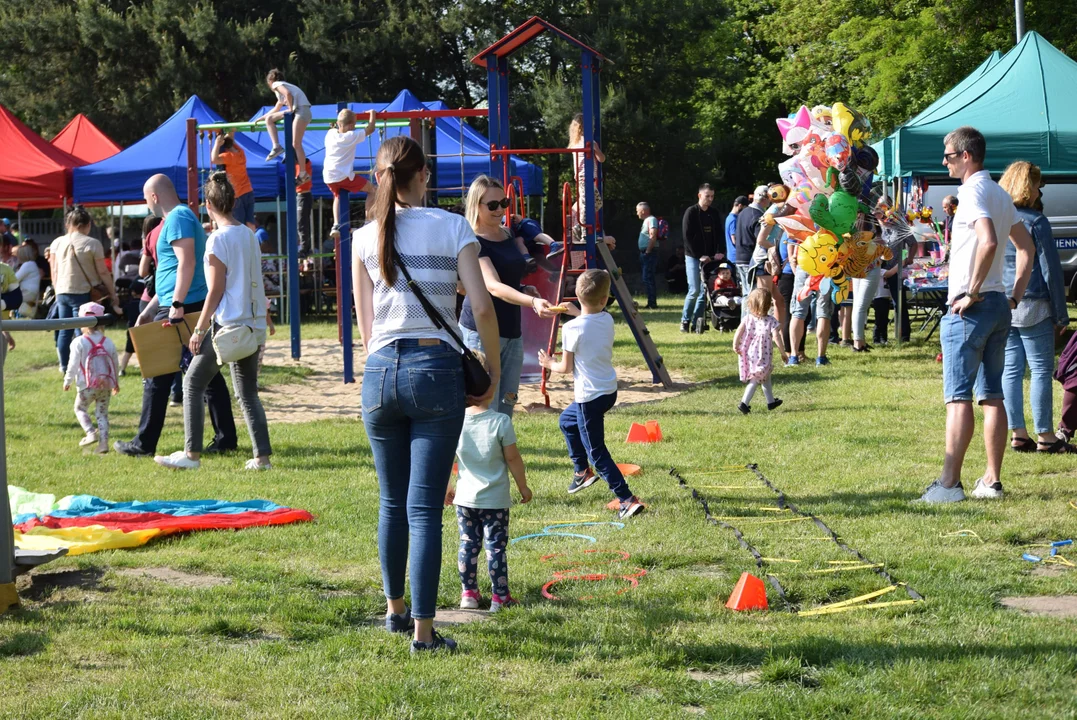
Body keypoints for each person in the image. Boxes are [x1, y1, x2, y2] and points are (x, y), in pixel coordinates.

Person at [354, 135, 501, 654]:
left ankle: (395, 613)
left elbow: (366, 327)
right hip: (435, 368)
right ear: (423, 177)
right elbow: (481, 308)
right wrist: (494, 369)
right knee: (423, 510)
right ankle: (423, 632)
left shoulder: (362, 237)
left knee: (391, 503)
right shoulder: (452, 226)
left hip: (380, 372)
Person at [918, 126, 1035, 504]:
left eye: (948, 156)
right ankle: (991, 481)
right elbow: (1026, 248)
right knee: (992, 395)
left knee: (958, 397)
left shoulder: (971, 192)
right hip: (1000, 305)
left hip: (974, 307)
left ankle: (949, 485)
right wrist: (1013, 296)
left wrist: (971, 291)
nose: (944, 162)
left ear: (966, 156)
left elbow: (988, 240)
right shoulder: (1000, 191)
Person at [154, 172, 272, 471]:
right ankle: (262, 458)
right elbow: (255, 279)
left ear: (208, 204)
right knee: (247, 393)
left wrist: (199, 329)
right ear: (233, 201)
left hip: (228, 325)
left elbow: (216, 290)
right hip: (252, 325)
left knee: (193, 382)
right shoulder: (248, 233)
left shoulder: (216, 240)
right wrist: (266, 316)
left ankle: (191, 455)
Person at [114, 175, 237, 457]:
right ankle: (225, 439)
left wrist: (177, 303)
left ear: (155, 196)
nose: (146, 203)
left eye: (146, 197)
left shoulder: (179, 216)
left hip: (181, 307)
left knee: (158, 374)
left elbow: (187, 262)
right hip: (174, 304)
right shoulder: (177, 218)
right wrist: (148, 309)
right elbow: (169, 272)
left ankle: (144, 444)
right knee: (205, 375)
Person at [537, 269, 646, 520]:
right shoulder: (606, 319)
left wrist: (548, 363)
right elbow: (590, 318)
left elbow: (565, 368)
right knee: (566, 421)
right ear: (605, 299)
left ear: (576, 294)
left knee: (597, 452)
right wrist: (576, 313)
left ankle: (626, 499)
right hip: (608, 391)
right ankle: (581, 473)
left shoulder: (572, 329)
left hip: (589, 397)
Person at [444, 349, 532, 613]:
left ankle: (468, 594)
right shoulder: (500, 421)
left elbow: (449, 457)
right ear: (488, 386)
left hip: (465, 499)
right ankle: (499, 597)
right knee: (495, 547)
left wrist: (448, 486)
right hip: (495, 500)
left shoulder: (455, 422)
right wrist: (523, 486)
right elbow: (513, 459)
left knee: (468, 544)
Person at [460, 175, 554, 417]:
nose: (500, 209)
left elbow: (506, 279)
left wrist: (523, 289)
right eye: (492, 205)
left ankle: (501, 455)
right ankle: (475, 455)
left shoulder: (508, 235)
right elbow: (492, 286)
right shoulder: (472, 241)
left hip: (512, 332)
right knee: (482, 406)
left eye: (503, 202)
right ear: (475, 206)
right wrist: (532, 301)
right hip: (479, 331)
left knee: (507, 402)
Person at [995, 162, 1071, 454]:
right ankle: (1046, 436)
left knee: (1011, 370)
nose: (1041, 190)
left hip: (1005, 300)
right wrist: (1061, 313)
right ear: (1030, 186)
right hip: (1034, 301)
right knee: (1040, 370)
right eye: (1039, 185)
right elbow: (1050, 268)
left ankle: (1018, 433)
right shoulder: (1036, 221)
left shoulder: (1000, 217)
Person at [49, 206, 122, 373]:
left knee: (64, 330)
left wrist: (57, 288)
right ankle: (82, 366)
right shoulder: (92, 243)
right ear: (88, 224)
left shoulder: (56, 243)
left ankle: (64, 366)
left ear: (68, 224)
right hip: (83, 291)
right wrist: (112, 293)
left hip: (61, 290)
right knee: (82, 330)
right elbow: (103, 271)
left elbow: (54, 270)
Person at [63, 302, 119, 454]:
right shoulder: (108, 342)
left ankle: (90, 433)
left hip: (86, 385)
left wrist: (67, 380)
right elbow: (114, 363)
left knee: (80, 408)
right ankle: (104, 444)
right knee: (102, 414)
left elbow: (73, 364)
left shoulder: (79, 342)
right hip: (106, 385)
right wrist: (116, 383)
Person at [323, 109, 377, 240]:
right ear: (351, 125)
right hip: (343, 176)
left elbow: (335, 126)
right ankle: (368, 221)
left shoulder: (330, 134)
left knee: (337, 196)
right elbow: (370, 129)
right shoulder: (351, 136)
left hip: (329, 176)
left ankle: (335, 225)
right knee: (373, 190)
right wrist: (372, 114)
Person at [681, 183, 723, 333]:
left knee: (704, 292)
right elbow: (687, 237)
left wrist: (719, 252)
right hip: (693, 257)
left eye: (712, 196)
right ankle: (684, 321)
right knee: (694, 290)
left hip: (710, 258)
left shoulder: (714, 213)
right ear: (699, 195)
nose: (710, 199)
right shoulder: (691, 212)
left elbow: (719, 234)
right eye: (707, 196)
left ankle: (696, 322)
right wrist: (699, 255)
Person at [735, 288, 784, 414]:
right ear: (768, 305)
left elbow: (739, 331)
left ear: (750, 304)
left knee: (765, 376)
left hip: (751, 354)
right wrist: (783, 352)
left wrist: (735, 344)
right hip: (763, 355)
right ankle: (744, 403)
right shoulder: (771, 321)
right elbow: (777, 337)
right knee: (756, 378)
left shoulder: (748, 318)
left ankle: (771, 402)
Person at [259, 69, 311, 179]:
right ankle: (276, 146)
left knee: (296, 144)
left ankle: (303, 172)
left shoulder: (276, 84)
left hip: (300, 111)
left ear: (270, 81)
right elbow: (276, 108)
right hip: (300, 111)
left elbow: (287, 94)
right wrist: (262, 118)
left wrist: (290, 109)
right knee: (269, 119)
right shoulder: (283, 91)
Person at [210, 133, 256, 230]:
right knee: (250, 222)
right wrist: (230, 135)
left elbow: (214, 159)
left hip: (237, 194)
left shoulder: (228, 157)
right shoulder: (241, 153)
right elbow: (232, 141)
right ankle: (252, 242)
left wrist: (217, 144)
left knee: (238, 223)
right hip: (248, 190)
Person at [735, 186, 770, 295]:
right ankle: (749, 313)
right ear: (764, 199)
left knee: (746, 293)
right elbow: (761, 240)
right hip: (751, 259)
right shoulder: (758, 215)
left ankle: (745, 313)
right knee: (752, 294)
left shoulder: (742, 213)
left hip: (739, 257)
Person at [636, 201, 659, 309]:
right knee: (647, 277)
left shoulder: (651, 220)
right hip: (646, 252)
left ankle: (652, 303)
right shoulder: (647, 220)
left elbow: (653, 235)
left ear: (643, 211)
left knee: (648, 277)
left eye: (638, 211)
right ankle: (651, 302)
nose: (637, 213)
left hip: (649, 253)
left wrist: (648, 251)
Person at [14, 244, 39, 317]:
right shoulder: (32, 264)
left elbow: (15, 279)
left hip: (27, 292)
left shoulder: (27, 265)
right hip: (30, 292)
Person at [296, 158, 314, 255]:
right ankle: (306, 247)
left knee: (302, 223)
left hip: (304, 195)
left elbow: (307, 177)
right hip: (301, 195)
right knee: (302, 223)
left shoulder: (304, 162)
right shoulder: (298, 164)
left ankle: (304, 248)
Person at [725, 196, 747, 265]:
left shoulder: (729, 217)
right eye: (745, 208)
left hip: (733, 256)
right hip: (736, 257)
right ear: (740, 206)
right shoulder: (733, 219)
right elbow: (734, 239)